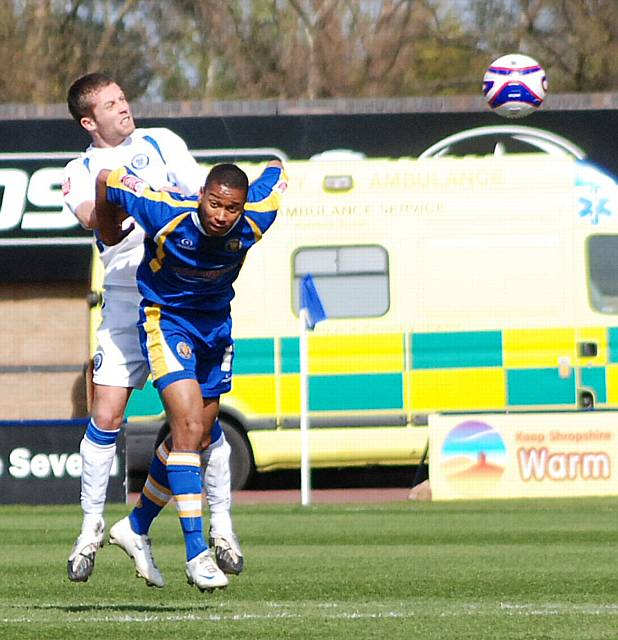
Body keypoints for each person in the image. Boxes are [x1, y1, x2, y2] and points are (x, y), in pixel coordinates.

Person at [63, 72, 243, 585]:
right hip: (125, 297)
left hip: (180, 296)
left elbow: (198, 199)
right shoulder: (80, 169)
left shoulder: (162, 142)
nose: (123, 108)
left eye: (123, 98)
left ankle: (222, 526)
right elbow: (100, 224)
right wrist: (114, 193)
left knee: (201, 424)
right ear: (88, 121)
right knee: (107, 414)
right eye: (110, 104)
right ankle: (90, 527)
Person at [95, 159, 286, 591]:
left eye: (231, 208)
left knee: (199, 437)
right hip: (166, 322)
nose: (221, 215)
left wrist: (275, 166)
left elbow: (276, 173)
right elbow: (107, 177)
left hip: (216, 328)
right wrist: (108, 234)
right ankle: (197, 553)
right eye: (214, 203)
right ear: (201, 194)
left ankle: (136, 525)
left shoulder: (260, 215)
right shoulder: (163, 211)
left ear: (242, 208)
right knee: (185, 427)